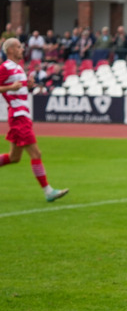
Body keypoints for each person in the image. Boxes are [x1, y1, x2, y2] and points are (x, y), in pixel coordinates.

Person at [0, 39, 69, 203]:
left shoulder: (18, 68)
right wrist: (10, 88)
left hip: (22, 115)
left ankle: (48, 191)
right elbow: (9, 87)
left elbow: (18, 87)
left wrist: (27, 85)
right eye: (18, 46)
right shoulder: (5, 67)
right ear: (10, 50)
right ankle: (48, 191)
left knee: (14, 157)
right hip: (18, 116)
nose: (21, 49)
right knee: (36, 153)